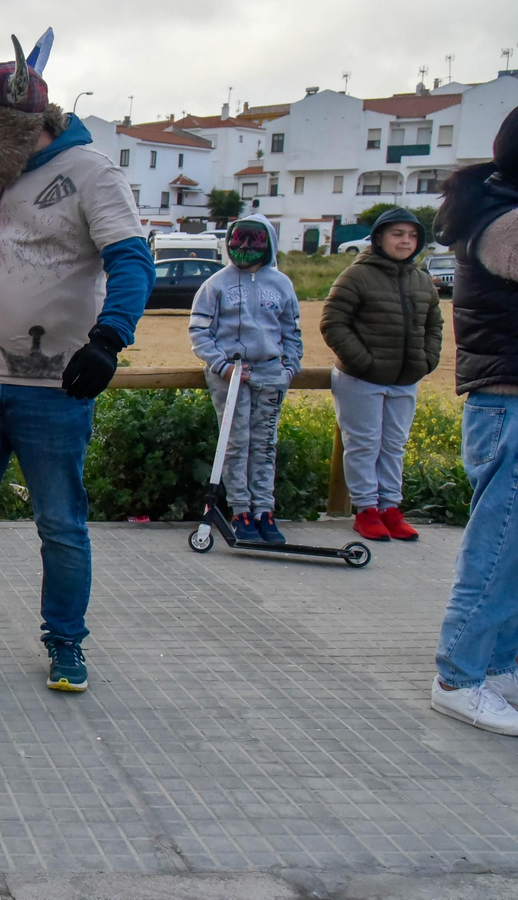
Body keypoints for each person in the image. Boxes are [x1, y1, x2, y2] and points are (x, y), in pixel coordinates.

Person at [0, 31, 156, 693]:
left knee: (60, 524)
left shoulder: (91, 173)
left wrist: (109, 339)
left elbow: (132, 260)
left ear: (28, 125)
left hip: (53, 388)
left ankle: (65, 643)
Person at [430, 107, 518, 735]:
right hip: (509, 405)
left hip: (507, 405)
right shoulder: (503, 222)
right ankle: (459, 677)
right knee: (495, 554)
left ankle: (500, 668)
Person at [321, 206, 442, 541]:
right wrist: (365, 362)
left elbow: (434, 324)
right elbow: (333, 322)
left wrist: (426, 360)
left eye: (412, 235)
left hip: (405, 380)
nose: (405, 241)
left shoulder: (421, 280)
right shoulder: (355, 276)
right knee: (363, 444)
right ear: (378, 238)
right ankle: (366, 510)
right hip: (360, 379)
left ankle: (390, 507)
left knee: (393, 445)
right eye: (397, 234)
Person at [188, 214, 303, 544]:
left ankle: (263, 510)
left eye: (255, 240)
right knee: (236, 442)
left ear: (268, 243)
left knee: (264, 444)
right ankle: (241, 511)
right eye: (239, 240)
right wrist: (220, 365)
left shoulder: (281, 284)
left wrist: (290, 367)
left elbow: (291, 329)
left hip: (270, 373)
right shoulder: (216, 284)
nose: (247, 248)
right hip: (232, 375)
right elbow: (199, 330)